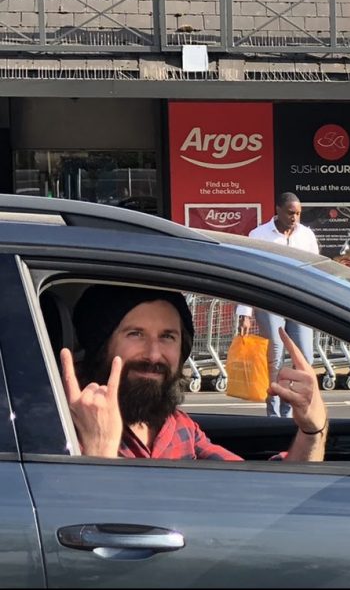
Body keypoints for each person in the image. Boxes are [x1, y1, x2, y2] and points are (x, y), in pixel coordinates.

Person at [60, 284, 327, 461]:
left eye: (167, 336)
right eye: (135, 334)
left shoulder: (177, 426)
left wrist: (312, 430)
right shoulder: (60, 429)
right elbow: (75, 526)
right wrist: (99, 451)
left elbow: (261, 492)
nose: (154, 354)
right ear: (102, 346)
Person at [237, 192, 321, 418]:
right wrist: (245, 312)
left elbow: (316, 271)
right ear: (278, 210)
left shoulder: (306, 235)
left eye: (299, 214)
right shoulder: (259, 235)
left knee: (304, 357)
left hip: (299, 303)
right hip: (270, 301)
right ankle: (273, 414)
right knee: (275, 354)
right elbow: (249, 273)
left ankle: (289, 408)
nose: (295, 218)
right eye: (291, 213)